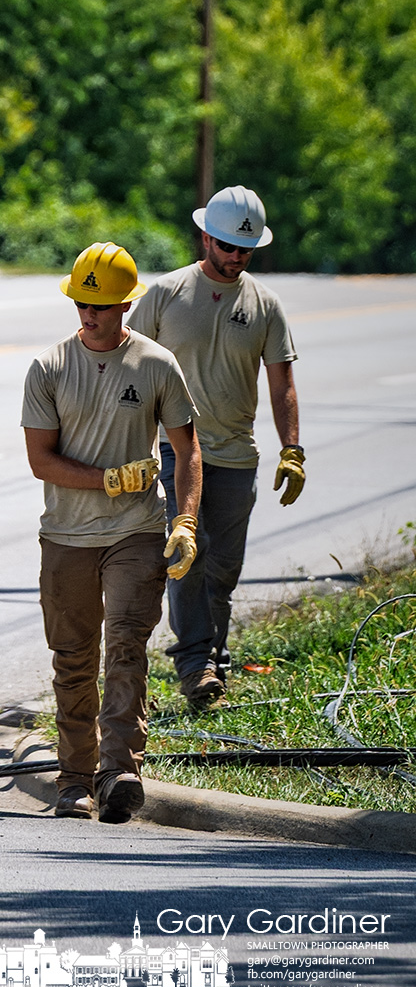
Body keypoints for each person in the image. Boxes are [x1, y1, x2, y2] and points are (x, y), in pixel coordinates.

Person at [22, 241, 202, 825]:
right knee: (73, 658)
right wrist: (107, 479)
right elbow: (41, 461)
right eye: (81, 302)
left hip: (136, 531)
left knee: (125, 647)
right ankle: (74, 779)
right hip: (66, 536)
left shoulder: (156, 365)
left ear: (126, 304)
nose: (88, 313)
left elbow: (187, 450)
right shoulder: (49, 367)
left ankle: (119, 771)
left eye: (99, 305)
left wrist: (185, 520)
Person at [130, 185, 302, 710]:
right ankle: (196, 667)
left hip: (236, 456)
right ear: (206, 237)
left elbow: (282, 382)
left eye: (245, 249)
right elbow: (127, 364)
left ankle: (212, 665)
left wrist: (292, 450)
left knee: (223, 569)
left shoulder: (265, 305)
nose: (235, 256)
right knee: (189, 553)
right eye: (227, 245)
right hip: (174, 450)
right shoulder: (166, 294)